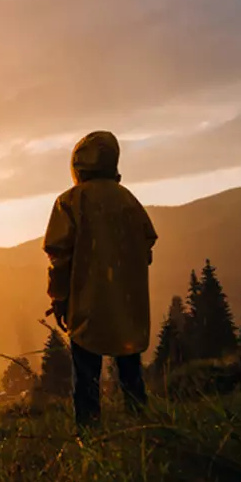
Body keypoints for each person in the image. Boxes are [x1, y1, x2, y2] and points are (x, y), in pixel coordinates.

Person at [43, 131, 158, 426]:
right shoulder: (128, 200)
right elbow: (145, 246)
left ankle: (90, 437)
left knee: (86, 378)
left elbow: (59, 258)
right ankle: (145, 427)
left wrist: (59, 299)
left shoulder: (69, 202)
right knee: (131, 373)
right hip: (127, 303)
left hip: (87, 304)